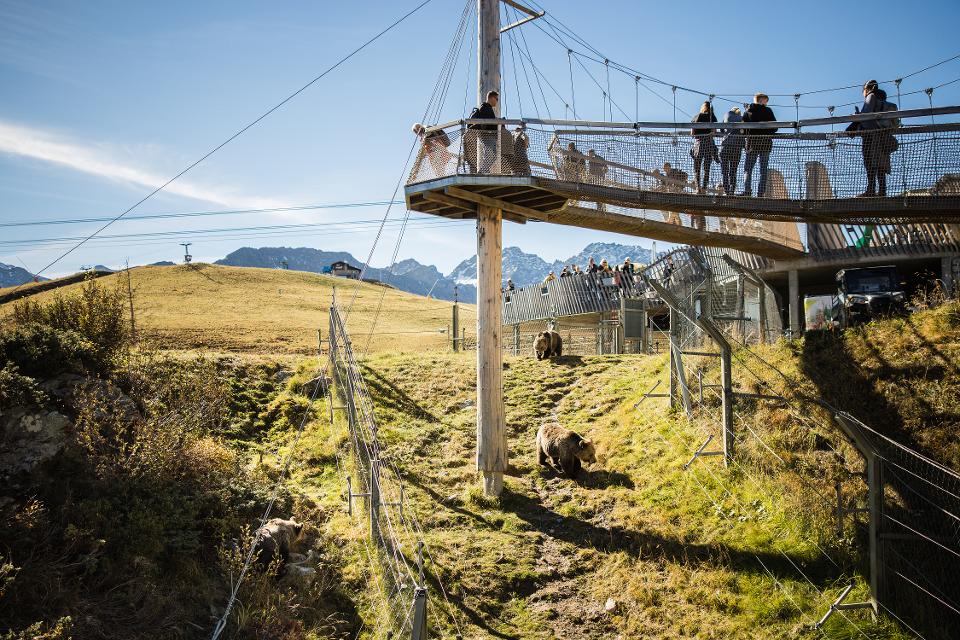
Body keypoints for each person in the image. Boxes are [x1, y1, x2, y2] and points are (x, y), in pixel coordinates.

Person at [850, 80, 898, 197]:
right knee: (880, 165)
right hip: (883, 136)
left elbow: (866, 116)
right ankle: (882, 192)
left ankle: (870, 190)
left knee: (870, 163)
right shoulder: (883, 101)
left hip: (871, 136)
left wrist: (854, 123)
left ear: (866, 89)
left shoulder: (871, 96)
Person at [742, 93, 777, 197]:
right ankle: (760, 193)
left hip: (751, 144)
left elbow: (743, 130)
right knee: (763, 170)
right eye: (766, 101)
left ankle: (747, 191)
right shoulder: (768, 111)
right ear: (762, 100)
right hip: (765, 143)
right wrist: (767, 132)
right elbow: (775, 127)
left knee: (748, 169)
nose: (767, 103)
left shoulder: (747, 111)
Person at [464, 90, 499, 174]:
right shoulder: (485, 107)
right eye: (496, 99)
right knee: (489, 152)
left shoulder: (487, 108)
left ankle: (484, 170)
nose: (497, 101)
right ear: (492, 98)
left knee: (493, 154)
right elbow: (487, 122)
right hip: (487, 134)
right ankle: (483, 171)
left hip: (488, 134)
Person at [690, 101, 718, 193]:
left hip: (699, 144)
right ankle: (704, 188)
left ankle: (698, 188)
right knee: (707, 168)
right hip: (709, 143)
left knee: (697, 167)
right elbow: (714, 132)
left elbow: (692, 133)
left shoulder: (696, 117)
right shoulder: (712, 117)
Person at [719, 106, 744, 195]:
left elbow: (721, 129)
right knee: (733, 171)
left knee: (724, 171)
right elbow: (744, 131)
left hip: (724, 146)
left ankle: (726, 191)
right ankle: (732, 191)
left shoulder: (726, 116)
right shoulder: (741, 118)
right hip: (736, 147)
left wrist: (726, 133)